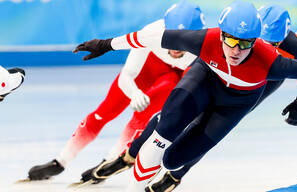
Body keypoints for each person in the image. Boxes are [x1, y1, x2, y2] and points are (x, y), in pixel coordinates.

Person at [73, 1, 297, 191]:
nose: (236, 50)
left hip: (238, 101)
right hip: (206, 80)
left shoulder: (278, 59)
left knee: (174, 157)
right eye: (231, 40)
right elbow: (153, 37)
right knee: (167, 123)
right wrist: (105, 44)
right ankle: (131, 154)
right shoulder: (209, 38)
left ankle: (174, 172)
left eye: (246, 44)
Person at [26, 1, 205, 184]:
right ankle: (61, 161)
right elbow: (127, 75)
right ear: (164, 29)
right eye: (171, 36)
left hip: (175, 77)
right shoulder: (152, 33)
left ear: (195, 36)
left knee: (143, 117)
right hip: (148, 68)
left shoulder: (203, 48)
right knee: (103, 113)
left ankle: (109, 163)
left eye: (183, 39)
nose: (175, 46)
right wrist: (134, 93)